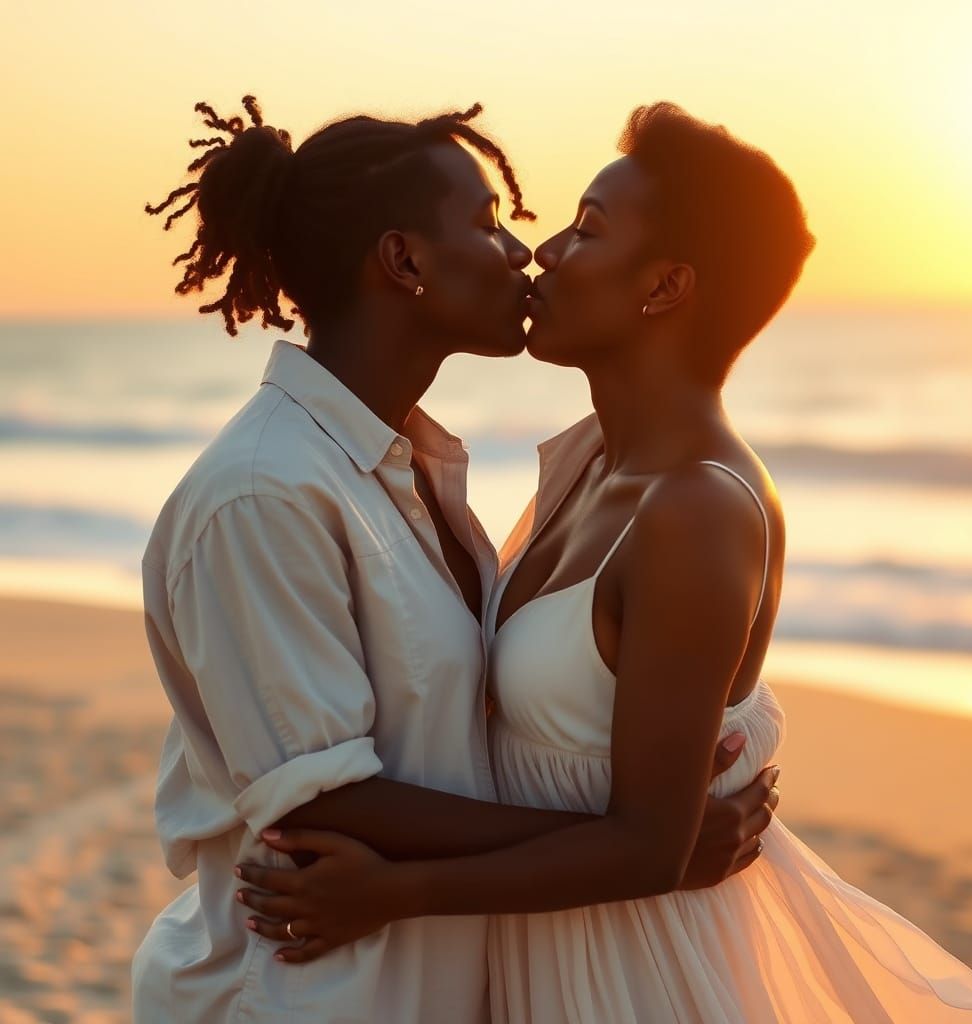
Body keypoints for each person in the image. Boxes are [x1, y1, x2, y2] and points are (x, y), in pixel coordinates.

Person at [236, 103, 972, 1023]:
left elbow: (651, 849)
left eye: (587, 228)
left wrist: (393, 893)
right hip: (548, 958)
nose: (544, 252)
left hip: (641, 973)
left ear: (665, 287)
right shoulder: (589, 462)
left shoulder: (697, 510)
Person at [132, 96, 778, 1024]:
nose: (525, 252)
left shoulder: (408, 468)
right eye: (487, 223)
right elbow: (318, 799)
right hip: (303, 993)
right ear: (405, 262)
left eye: (576, 228)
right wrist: (645, 846)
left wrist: (646, 838)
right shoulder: (263, 492)